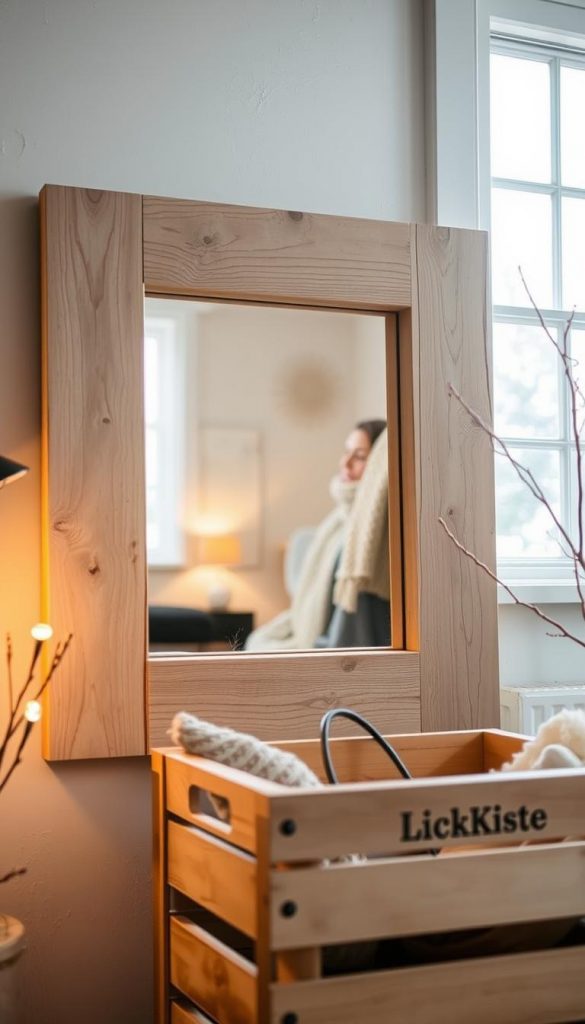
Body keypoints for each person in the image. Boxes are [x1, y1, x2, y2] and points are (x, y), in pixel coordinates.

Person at [244, 419, 389, 652]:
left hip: (337, 644)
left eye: (360, 456)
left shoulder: (372, 536)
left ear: (378, 468)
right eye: (346, 452)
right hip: (312, 630)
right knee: (259, 639)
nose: (346, 463)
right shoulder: (337, 522)